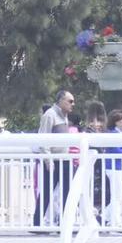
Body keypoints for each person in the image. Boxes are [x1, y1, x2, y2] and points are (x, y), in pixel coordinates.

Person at [34, 88, 75, 226]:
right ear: (61, 101)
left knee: (67, 193)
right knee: (46, 192)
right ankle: (37, 223)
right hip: (53, 161)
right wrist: (47, 159)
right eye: (70, 101)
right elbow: (43, 138)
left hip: (65, 159)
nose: (72, 104)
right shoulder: (50, 115)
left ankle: (65, 223)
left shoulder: (64, 115)